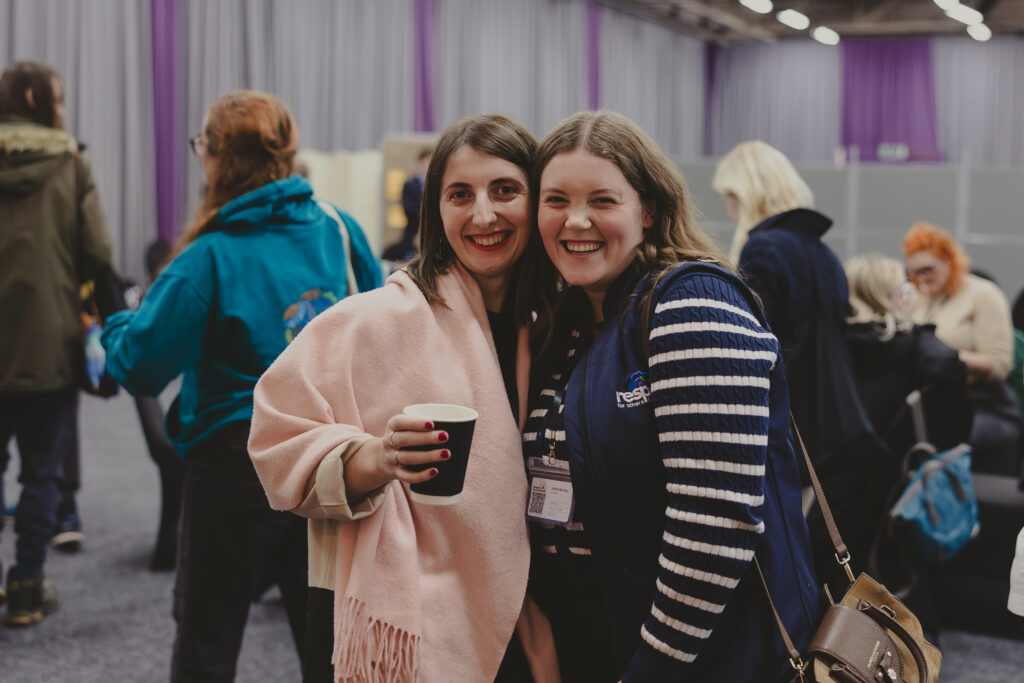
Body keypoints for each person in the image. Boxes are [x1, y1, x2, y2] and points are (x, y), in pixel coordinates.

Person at [248, 113, 551, 683]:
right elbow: (276, 436)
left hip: (536, 609)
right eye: (459, 194)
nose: (483, 214)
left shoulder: (562, 323)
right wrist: (378, 458)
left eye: (505, 190)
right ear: (436, 209)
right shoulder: (375, 322)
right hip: (399, 622)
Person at [523, 111, 819, 682]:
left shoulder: (690, 302)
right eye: (555, 199)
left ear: (648, 210)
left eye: (602, 201)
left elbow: (715, 520)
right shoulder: (576, 323)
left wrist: (654, 667)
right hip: (598, 637)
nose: (575, 220)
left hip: (697, 657)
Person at [100, 90, 382, 682]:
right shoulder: (339, 228)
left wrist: (118, 320)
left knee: (208, 641)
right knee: (329, 648)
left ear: (215, 158)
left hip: (235, 467)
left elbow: (140, 365)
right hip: (327, 460)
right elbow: (381, 332)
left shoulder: (208, 257)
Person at [712, 140, 890, 577]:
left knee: (782, 563)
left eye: (731, 198)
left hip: (792, 425)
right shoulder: (823, 252)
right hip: (836, 424)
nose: (730, 211)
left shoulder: (763, 249)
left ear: (749, 192)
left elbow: (755, 348)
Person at [0, 61, 112, 625]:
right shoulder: (70, 167)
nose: (63, 111)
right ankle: (26, 588)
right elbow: (98, 256)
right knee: (41, 472)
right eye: (59, 99)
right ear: (32, 96)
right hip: (47, 349)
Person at [903, 221, 1020, 475]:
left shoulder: (983, 294)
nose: (920, 279)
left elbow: (1000, 363)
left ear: (949, 260)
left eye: (928, 269)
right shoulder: (919, 298)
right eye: (913, 273)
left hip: (983, 406)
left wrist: (947, 358)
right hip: (932, 401)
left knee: (935, 438)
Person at [844, 253, 972, 455]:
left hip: (827, 473)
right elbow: (953, 431)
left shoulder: (824, 343)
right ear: (888, 297)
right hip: (900, 471)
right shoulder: (923, 349)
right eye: (904, 290)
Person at [382, 147, 431, 263]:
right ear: (420, 162)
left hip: (430, 236)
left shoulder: (438, 184)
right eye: (427, 161)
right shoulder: (409, 184)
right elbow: (407, 209)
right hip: (412, 234)